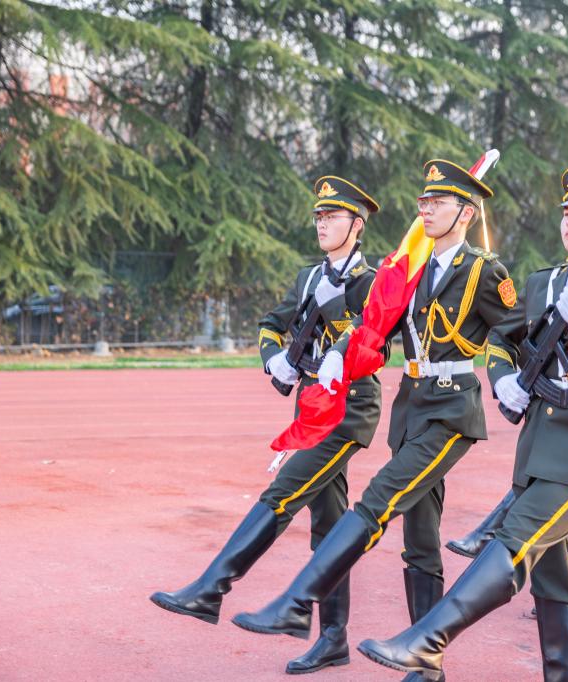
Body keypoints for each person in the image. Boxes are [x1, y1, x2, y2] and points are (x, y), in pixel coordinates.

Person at [356, 164, 568, 681]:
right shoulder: (543, 282)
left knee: (514, 538)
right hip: (541, 440)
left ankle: (428, 640)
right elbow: (505, 340)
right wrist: (505, 381)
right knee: (555, 581)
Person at [229, 160, 514, 678]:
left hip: (452, 408)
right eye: (424, 202)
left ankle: (305, 606)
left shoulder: (483, 271)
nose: (426, 209)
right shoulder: (409, 270)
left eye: (438, 202)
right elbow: (376, 330)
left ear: (466, 214)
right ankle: (423, 663)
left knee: (377, 503)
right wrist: (333, 355)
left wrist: (513, 379)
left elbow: (515, 335)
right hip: (410, 408)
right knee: (419, 540)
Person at [149, 176, 383, 674]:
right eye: (319, 216)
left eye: (333, 217)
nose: (322, 224)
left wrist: (334, 306)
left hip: (348, 409)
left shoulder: (374, 281)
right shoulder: (308, 276)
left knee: (281, 493)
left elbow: (371, 341)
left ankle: (211, 588)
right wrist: (274, 357)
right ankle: (333, 639)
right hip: (310, 405)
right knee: (329, 525)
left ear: (357, 226)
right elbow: (271, 324)